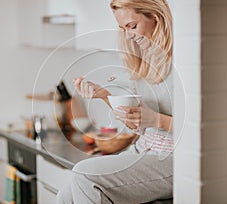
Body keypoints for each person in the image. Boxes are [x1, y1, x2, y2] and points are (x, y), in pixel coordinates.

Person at [57, 0, 173, 203]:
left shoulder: (187, 60)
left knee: (84, 176)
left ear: (156, 17)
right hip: (145, 150)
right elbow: (134, 120)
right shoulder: (145, 59)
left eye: (132, 26)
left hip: (174, 158)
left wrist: (156, 120)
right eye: (123, 29)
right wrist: (103, 94)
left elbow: (202, 131)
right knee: (64, 195)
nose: (128, 35)